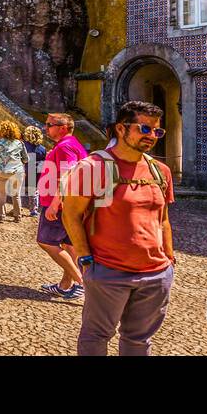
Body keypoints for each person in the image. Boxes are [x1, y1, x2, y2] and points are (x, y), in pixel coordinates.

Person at [62, 101, 174, 356]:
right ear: (121, 129)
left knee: (139, 340)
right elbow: (71, 214)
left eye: (157, 132)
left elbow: (163, 218)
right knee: (96, 337)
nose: (152, 137)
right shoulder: (93, 167)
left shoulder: (160, 171)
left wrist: (169, 259)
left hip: (155, 275)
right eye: (144, 129)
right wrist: (85, 258)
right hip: (108, 270)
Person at [36, 112, 88, 300]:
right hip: (71, 205)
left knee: (46, 241)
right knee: (68, 245)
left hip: (60, 206)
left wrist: (54, 204)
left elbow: (68, 177)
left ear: (63, 127)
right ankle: (65, 286)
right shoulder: (72, 145)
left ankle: (82, 283)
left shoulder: (66, 147)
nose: (46, 127)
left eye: (50, 124)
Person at [0, 120, 28, 221]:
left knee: (1, 194)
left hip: (1, 171)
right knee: (16, 194)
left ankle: (1, 216)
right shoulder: (20, 143)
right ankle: (17, 216)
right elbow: (26, 159)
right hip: (16, 171)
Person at [23, 125, 48, 217]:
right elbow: (43, 162)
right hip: (36, 170)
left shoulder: (24, 145)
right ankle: (33, 210)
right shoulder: (42, 148)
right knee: (34, 191)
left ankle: (17, 208)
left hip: (24, 168)